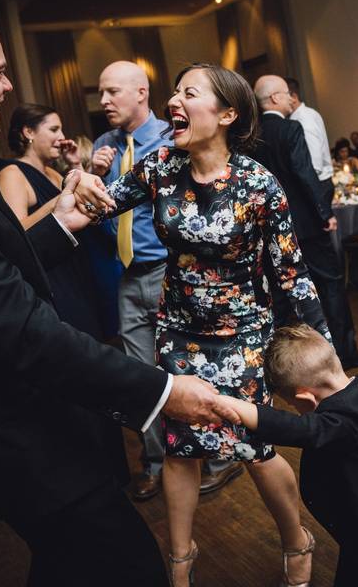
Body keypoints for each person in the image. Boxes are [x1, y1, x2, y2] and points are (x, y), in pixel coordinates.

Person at [0, 1, 237, 586]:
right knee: (130, 567)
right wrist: (163, 389)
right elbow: (21, 331)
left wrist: (60, 222)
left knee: (70, 565)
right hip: (18, 439)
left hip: (31, 428)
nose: (10, 87)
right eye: (0, 72)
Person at [102, 63, 325, 587]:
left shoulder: (257, 183)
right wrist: (82, 179)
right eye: (174, 92)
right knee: (181, 446)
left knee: (253, 447)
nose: (174, 101)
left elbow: (291, 272)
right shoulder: (160, 168)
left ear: (227, 113)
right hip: (178, 332)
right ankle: (181, 559)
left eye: (189, 93)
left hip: (244, 334)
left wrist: (328, 356)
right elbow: (105, 204)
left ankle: (296, 536)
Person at [93, 60, 243, 501]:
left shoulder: (175, 138)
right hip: (127, 276)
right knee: (140, 377)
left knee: (187, 369)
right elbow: (100, 208)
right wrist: (93, 175)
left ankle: (217, 456)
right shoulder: (105, 145)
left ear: (141, 92)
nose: (104, 102)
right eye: (101, 93)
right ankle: (157, 462)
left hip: (168, 272)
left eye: (112, 92)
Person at [219, 324, 358, 587]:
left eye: (293, 405)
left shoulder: (341, 421)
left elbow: (303, 431)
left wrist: (235, 406)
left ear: (306, 398)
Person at [252, 75, 358, 371]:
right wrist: (325, 213)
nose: (291, 100)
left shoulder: (250, 136)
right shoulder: (290, 128)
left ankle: (283, 365)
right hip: (306, 226)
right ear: (277, 99)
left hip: (272, 230)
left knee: (281, 297)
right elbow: (305, 175)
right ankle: (344, 352)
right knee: (330, 287)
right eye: (287, 95)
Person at [0, 104, 105, 341]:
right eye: (54, 129)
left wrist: (75, 165)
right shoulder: (12, 173)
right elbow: (15, 232)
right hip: (52, 279)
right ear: (29, 132)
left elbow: (79, 210)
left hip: (76, 272)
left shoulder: (54, 174)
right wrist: (59, 200)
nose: (62, 137)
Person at [286, 77, 335, 210]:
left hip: (318, 184)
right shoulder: (307, 114)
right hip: (320, 183)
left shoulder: (303, 118)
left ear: (293, 97)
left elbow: (315, 162)